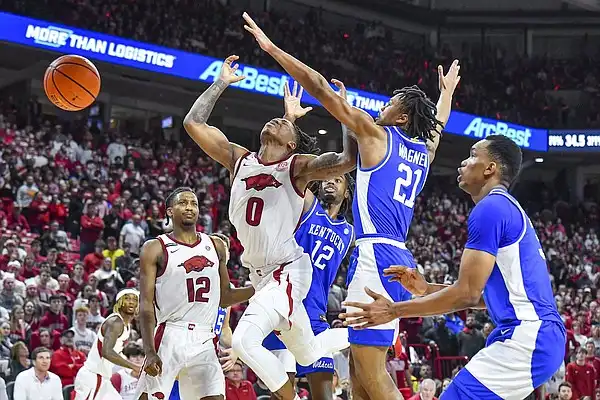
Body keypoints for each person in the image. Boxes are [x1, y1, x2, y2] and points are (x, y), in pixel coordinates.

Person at [242, 12, 460, 400]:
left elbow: (320, 86)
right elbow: (437, 127)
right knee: (360, 378)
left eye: (391, 102)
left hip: (377, 257)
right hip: (398, 255)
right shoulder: (423, 152)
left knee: (372, 375)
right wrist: (445, 96)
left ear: (402, 116)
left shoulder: (377, 135)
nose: (385, 105)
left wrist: (272, 48)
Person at [183, 55, 357, 400]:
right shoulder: (239, 159)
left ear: (292, 144)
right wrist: (220, 83)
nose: (277, 119)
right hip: (260, 276)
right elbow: (193, 123)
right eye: (276, 118)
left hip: (287, 272)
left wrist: (343, 112)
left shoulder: (297, 168)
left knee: (246, 341)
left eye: (285, 123)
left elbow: (347, 160)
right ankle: (369, 332)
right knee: (309, 352)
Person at [341, 135, 566, 400]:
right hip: (535, 336)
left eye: (472, 155)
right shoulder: (505, 208)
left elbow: (466, 295)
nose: (463, 162)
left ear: (490, 168)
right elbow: (486, 297)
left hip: (528, 336)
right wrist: (427, 289)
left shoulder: (491, 209)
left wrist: (393, 311)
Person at [136, 188, 255, 400]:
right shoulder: (155, 247)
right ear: (170, 211)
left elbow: (225, 297)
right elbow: (145, 305)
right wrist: (149, 350)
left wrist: (260, 288)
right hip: (170, 334)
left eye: (194, 203)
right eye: (183, 203)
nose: (190, 207)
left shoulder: (215, 245)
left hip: (204, 338)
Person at [263, 172, 354, 400]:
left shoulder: (349, 232)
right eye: (326, 178)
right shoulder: (309, 208)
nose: (330, 181)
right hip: (285, 307)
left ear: (347, 192)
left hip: (315, 315)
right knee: (283, 394)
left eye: (338, 179)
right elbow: (297, 179)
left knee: (324, 394)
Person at [73, 289, 140, 400]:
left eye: (135, 299)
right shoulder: (115, 322)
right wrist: (134, 366)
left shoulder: (126, 326)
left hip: (104, 378)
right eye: (127, 298)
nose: (131, 302)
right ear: (119, 303)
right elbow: (107, 352)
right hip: (93, 376)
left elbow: (116, 353)